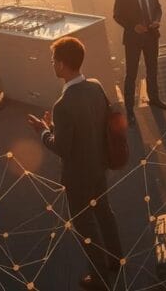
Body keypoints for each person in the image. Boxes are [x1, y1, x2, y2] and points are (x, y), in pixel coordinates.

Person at [27, 37, 124, 291]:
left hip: (77, 177)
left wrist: (42, 131)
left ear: (61, 65)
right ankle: (115, 259)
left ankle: (100, 278)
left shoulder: (62, 104)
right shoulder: (95, 86)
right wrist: (55, 127)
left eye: (53, 61)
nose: (52, 64)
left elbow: (61, 147)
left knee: (85, 226)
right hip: (99, 165)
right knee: (105, 213)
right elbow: (94, 124)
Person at [112, 0, 166, 124]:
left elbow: (157, 8)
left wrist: (157, 20)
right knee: (131, 74)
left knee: (153, 69)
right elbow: (117, 15)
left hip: (151, 35)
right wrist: (133, 27)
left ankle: (154, 99)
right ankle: (129, 110)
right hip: (133, 39)